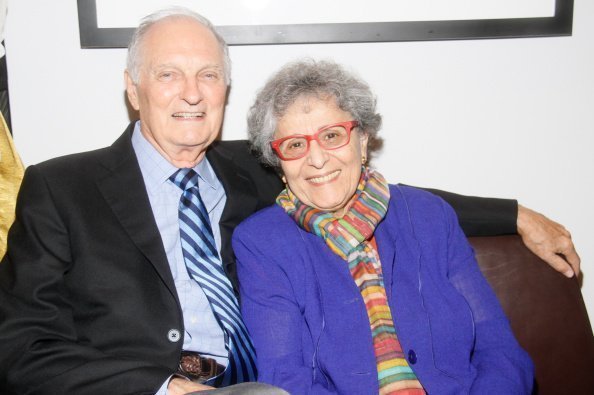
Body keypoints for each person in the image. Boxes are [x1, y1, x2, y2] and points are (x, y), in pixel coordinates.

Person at [0, 6, 576, 395]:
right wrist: (166, 388)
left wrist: (516, 213)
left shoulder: (255, 167)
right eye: (168, 75)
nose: (193, 94)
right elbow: (19, 344)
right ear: (133, 87)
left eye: (208, 75)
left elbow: (371, 189)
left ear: (226, 89)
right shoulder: (61, 188)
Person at [232, 59, 535, 394]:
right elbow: (284, 377)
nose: (316, 159)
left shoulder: (429, 216)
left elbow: (499, 350)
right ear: (278, 163)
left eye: (332, 136)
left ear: (363, 141)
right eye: (295, 145)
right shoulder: (262, 243)